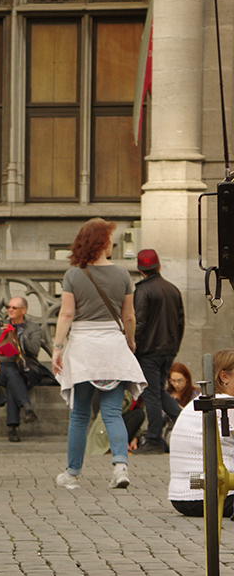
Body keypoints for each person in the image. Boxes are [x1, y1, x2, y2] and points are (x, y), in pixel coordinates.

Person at [51, 218, 146, 491]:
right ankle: (120, 467)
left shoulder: (73, 275)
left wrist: (57, 348)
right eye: (110, 238)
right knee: (113, 412)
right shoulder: (123, 274)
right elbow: (129, 316)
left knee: (80, 415)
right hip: (112, 347)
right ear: (102, 242)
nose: (113, 243)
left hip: (83, 348)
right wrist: (129, 342)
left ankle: (72, 473)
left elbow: (67, 314)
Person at [131, 248, 185, 455]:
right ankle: (183, 419)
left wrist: (134, 348)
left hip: (149, 351)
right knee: (159, 391)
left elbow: (140, 322)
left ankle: (154, 439)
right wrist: (174, 348)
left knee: (151, 393)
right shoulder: (172, 289)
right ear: (159, 265)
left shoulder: (143, 291)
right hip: (168, 350)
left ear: (140, 269)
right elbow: (181, 322)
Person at [168, 349, 234, 518]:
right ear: (224, 376)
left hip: (181, 496)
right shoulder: (226, 405)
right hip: (210, 495)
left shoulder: (199, 402)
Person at [0, 297, 43, 443]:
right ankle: (27, 407)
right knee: (10, 373)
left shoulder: (33, 327)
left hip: (27, 369)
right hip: (4, 368)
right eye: (9, 307)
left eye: (14, 308)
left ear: (24, 310)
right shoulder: (1, 327)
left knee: (13, 383)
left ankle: (12, 428)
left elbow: (34, 349)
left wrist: (18, 335)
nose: (10, 310)